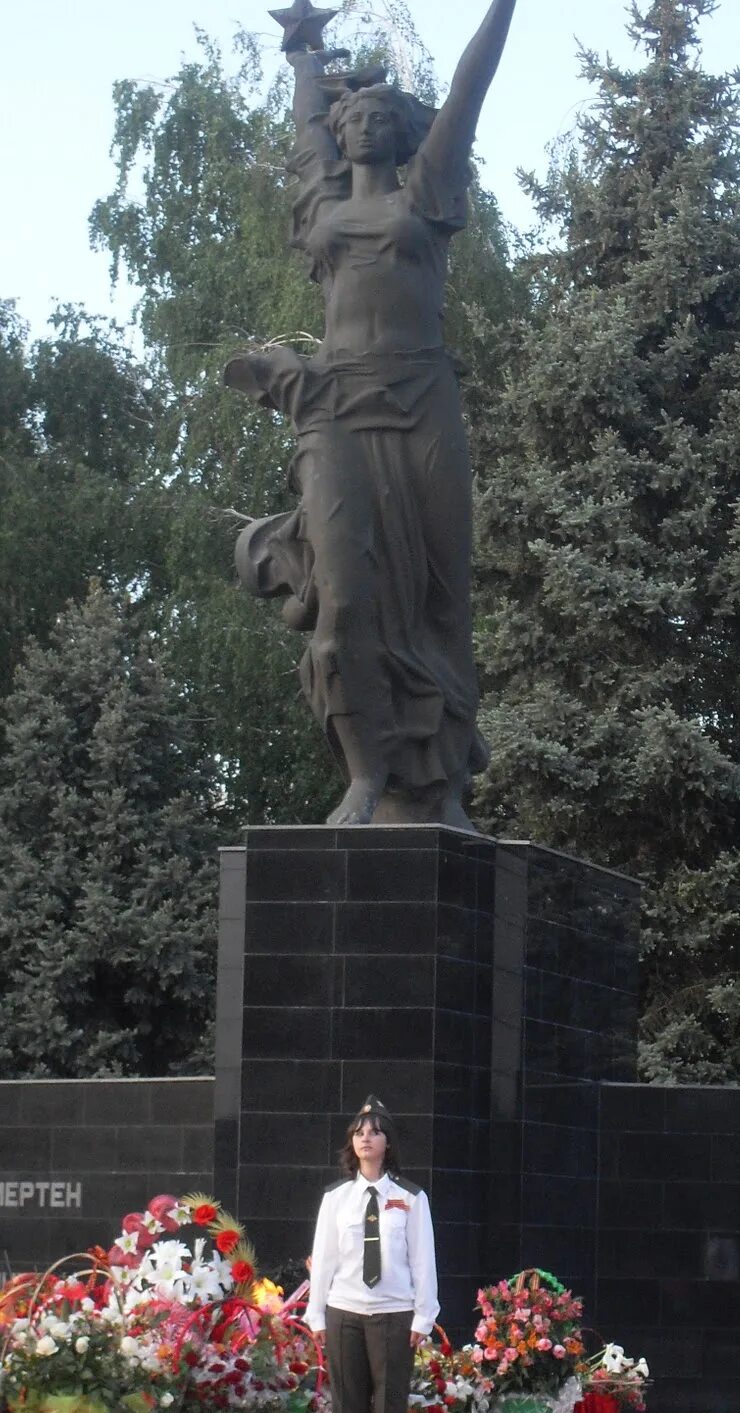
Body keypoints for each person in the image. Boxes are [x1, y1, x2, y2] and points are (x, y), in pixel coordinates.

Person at [226, 0, 518, 829]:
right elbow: (303, 133)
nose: (363, 127)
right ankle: (366, 774)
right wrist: (303, 50)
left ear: (402, 134)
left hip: (423, 397)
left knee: (440, 598)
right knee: (346, 598)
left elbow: (470, 87)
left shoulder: (427, 193)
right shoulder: (319, 206)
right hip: (337, 403)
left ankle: (444, 793)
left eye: (382, 118)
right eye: (352, 117)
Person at [306, 1094, 439, 1413]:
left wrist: (423, 1317)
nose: (367, 1139)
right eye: (360, 1133)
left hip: (393, 1315)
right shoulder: (337, 1199)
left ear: (388, 1142)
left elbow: (423, 1261)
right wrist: (317, 1316)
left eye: (375, 1132)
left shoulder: (410, 1199)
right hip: (345, 1311)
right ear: (351, 1143)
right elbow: (323, 1259)